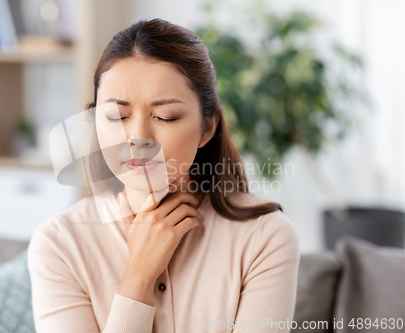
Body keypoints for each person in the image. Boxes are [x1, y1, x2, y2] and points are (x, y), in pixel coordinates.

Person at [27, 18, 300, 333]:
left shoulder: (264, 237)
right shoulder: (59, 244)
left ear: (208, 126)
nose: (138, 137)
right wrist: (139, 277)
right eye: (117, 116)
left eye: (165, 116)